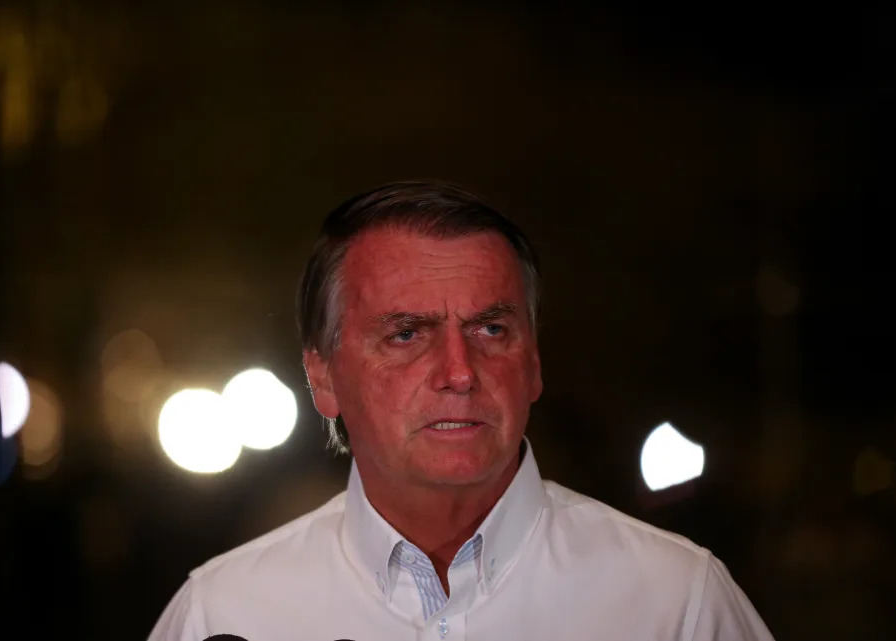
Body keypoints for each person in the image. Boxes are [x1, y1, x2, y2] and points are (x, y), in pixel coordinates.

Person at [148, 181, 775, 640]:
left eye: (491, 330)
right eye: (405, 335)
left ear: (533, 363)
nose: (458, 372)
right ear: (322, 377)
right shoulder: (224, 615)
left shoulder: (676, 603)